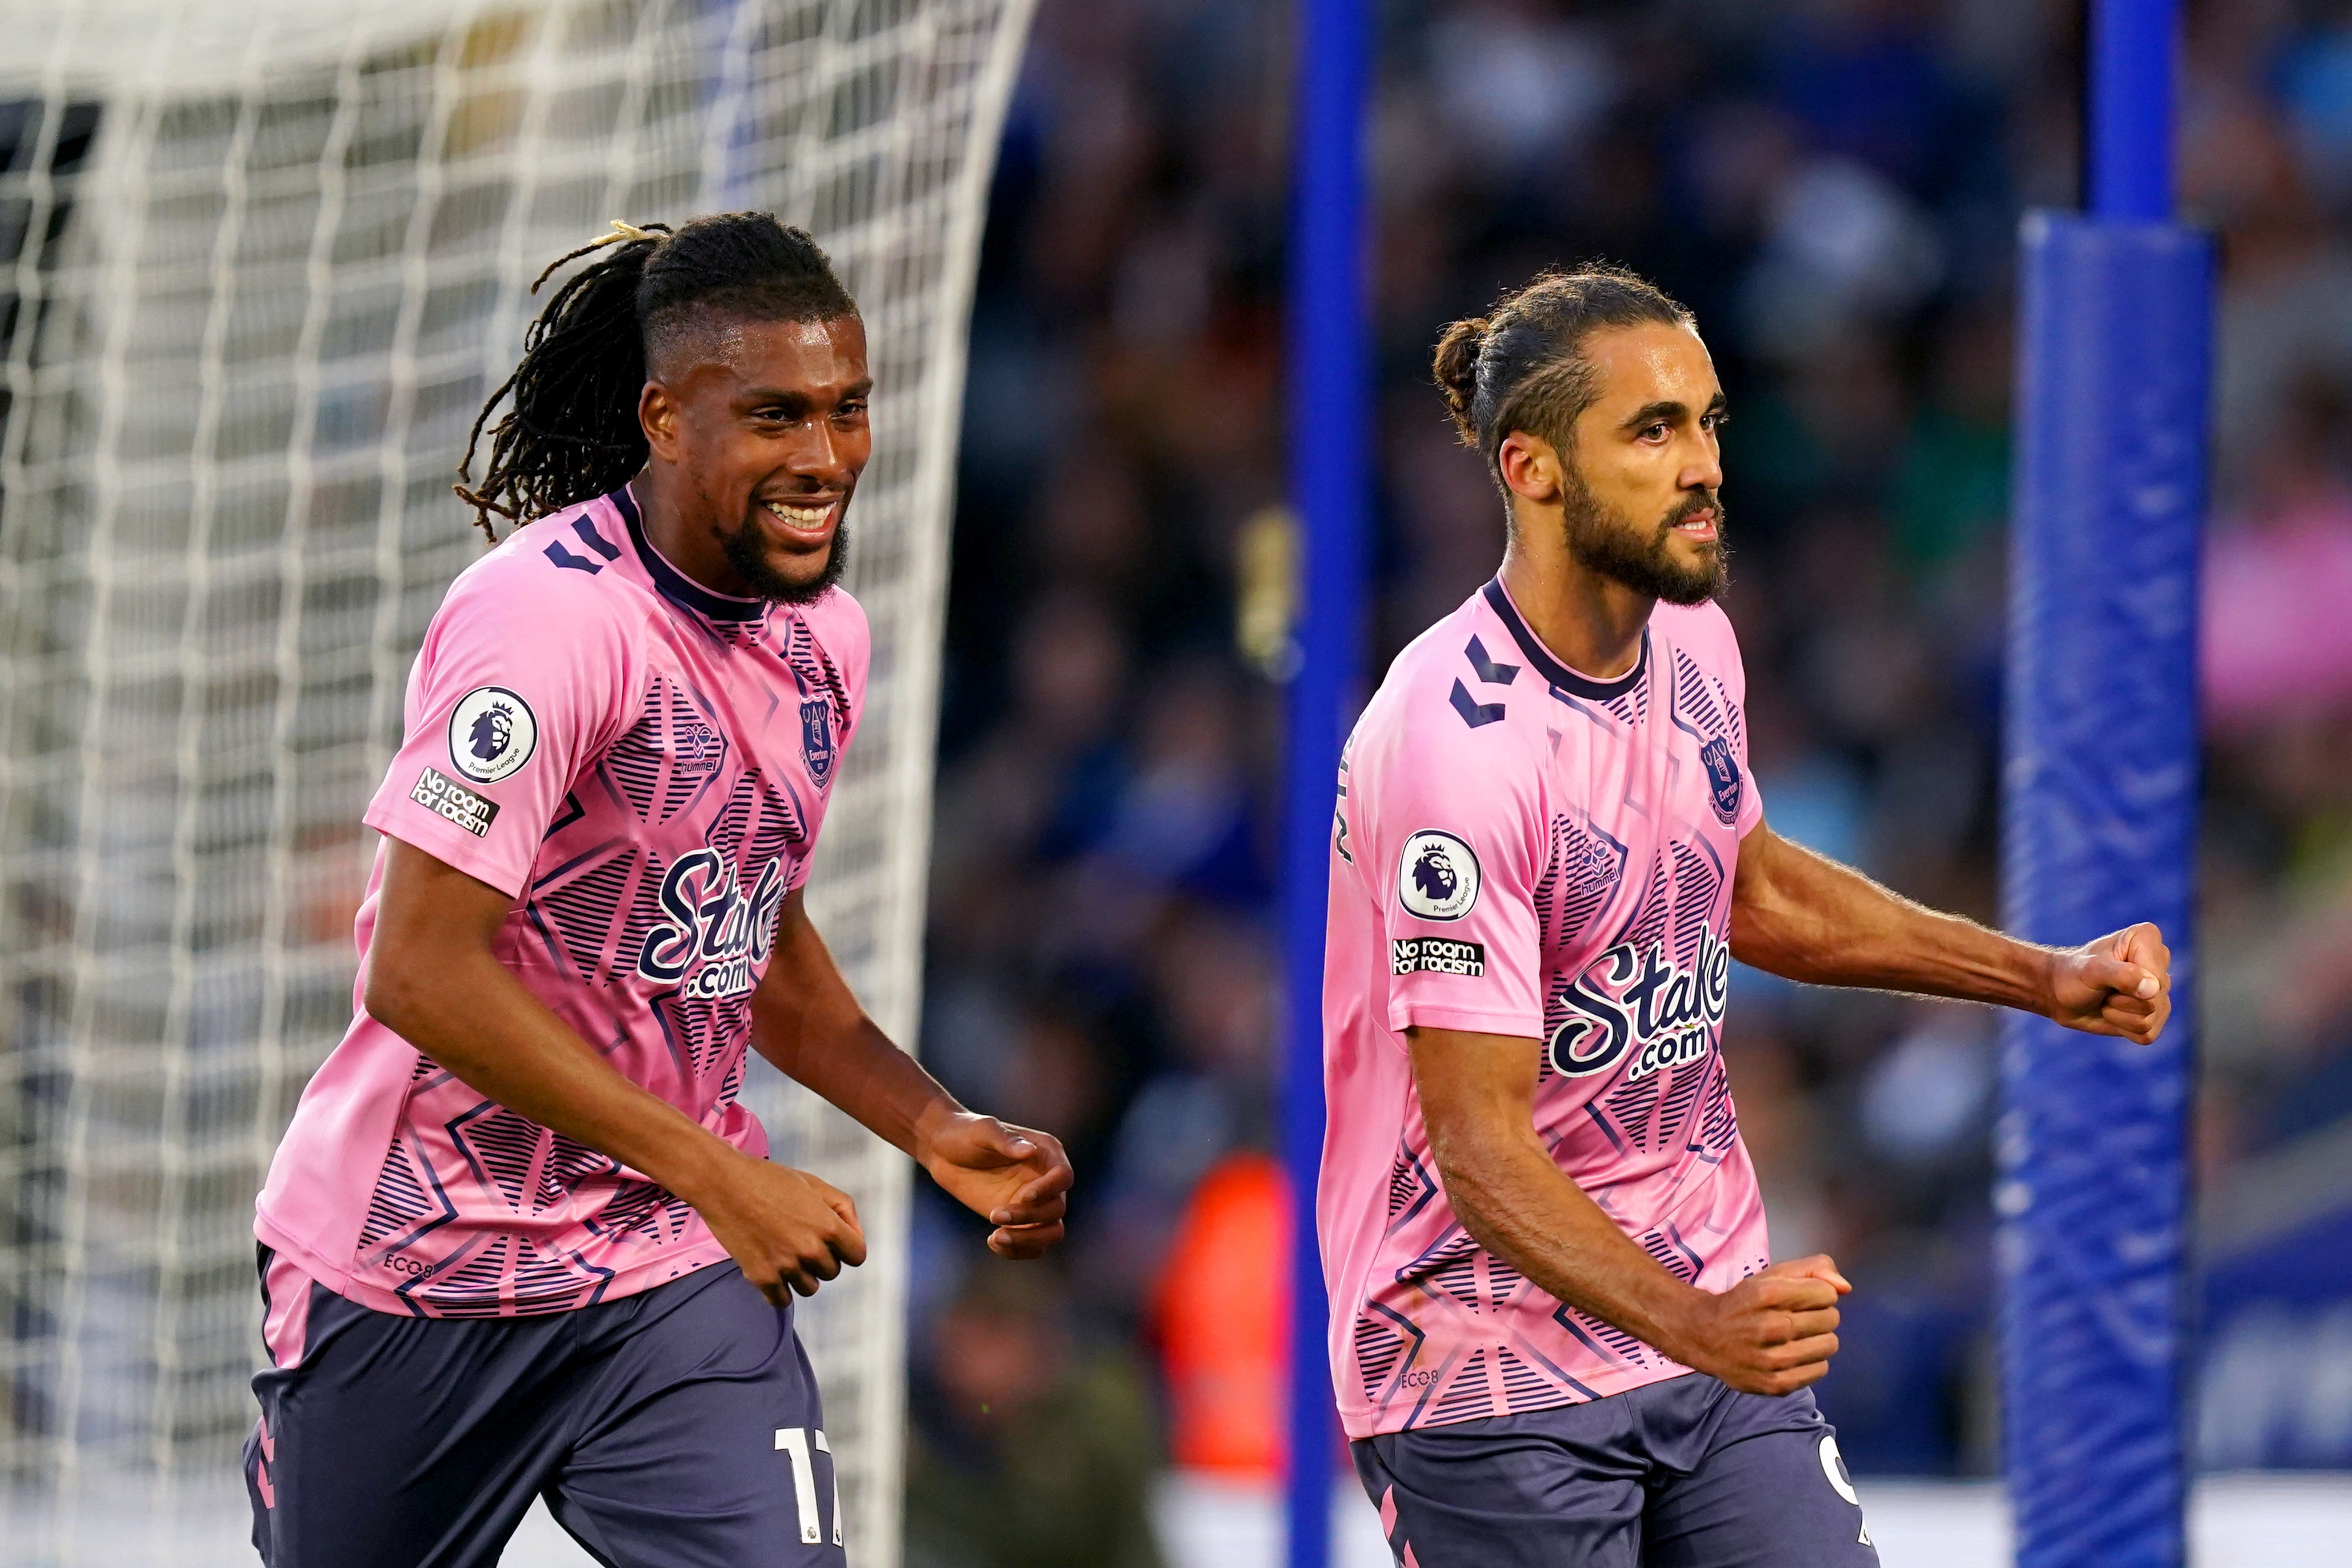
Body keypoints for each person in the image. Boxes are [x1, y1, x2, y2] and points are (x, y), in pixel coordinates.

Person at [243, 213, 1072, 1568]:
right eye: (776, 416)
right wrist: (716, 1172)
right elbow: (416, 964)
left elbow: (752, 946)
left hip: (658, 1268)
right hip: (418, 1269)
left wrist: (933, 1127)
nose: (826, 459)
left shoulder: (827, 637)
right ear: (667, 419)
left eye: (847, 410)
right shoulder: (551, 620)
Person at [1321, 264, 2173, 1567]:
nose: (1706, 464)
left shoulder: (1694, 641)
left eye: (1709, 421)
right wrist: (1695, 1325)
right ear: (1534, 469)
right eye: (1653, 431)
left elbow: (1751, 882)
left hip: (1706, 1312)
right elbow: (1479, 1152)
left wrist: (2040, 975)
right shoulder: (1452, 744)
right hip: (1484, 1372)